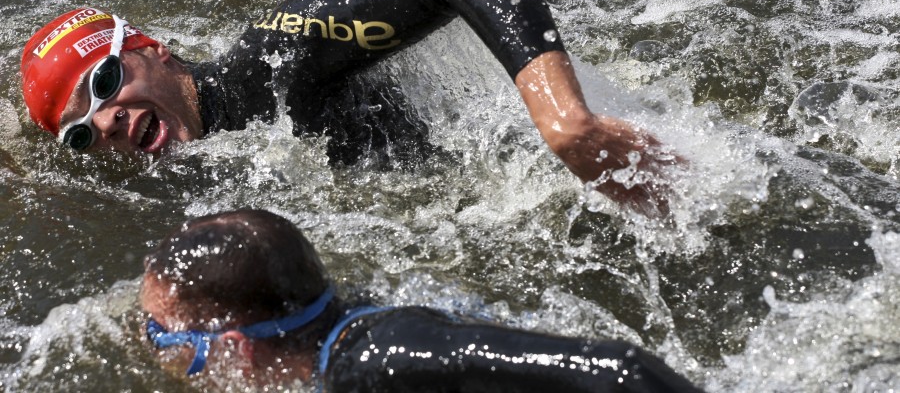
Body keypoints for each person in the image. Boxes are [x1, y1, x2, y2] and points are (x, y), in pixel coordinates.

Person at [20, 0, 674, 215]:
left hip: (552, 179)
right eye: (82, 134)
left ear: (153, 51)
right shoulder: (179, 194)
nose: (106, 122)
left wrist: (566, 125)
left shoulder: (273, 59)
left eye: (104, 85)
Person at [140, 207, 704, 391]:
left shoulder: (381, 361)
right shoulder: (335, 339)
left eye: (163, 339)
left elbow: (622, 370)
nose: (154, 352)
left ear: (236, 351)